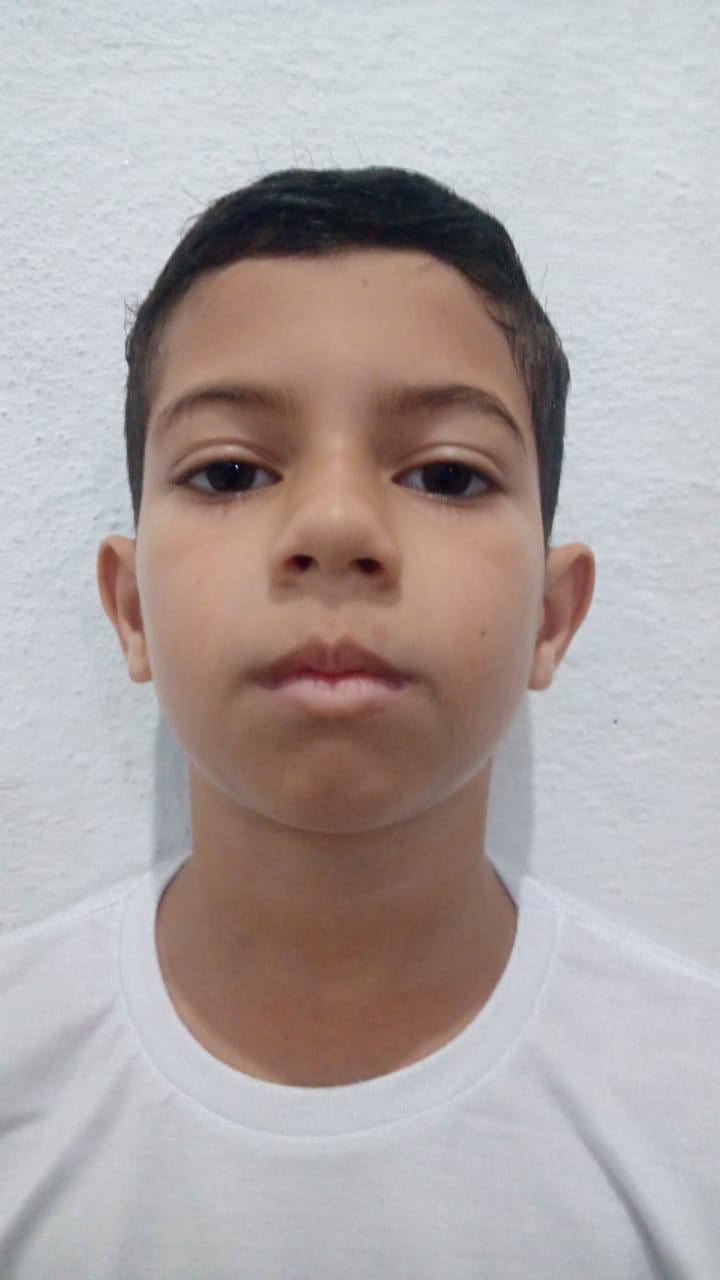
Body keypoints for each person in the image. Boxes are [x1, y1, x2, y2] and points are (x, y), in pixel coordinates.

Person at [1, 166, 717, 1278]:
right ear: (132, 609)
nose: (335, 526)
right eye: (230, 470)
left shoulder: (692, 1108)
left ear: (551, 616)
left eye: (447, 475)